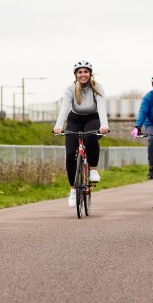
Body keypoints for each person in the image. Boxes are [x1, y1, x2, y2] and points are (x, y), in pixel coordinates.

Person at [53, 61, 110, 207]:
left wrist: (104, 125)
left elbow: (102, 107)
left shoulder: (97, 87)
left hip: (93, 118)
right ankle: (73, 189)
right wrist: (58, 126)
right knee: (71, 152)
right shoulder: (71, 89)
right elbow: (65, 108)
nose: (83, 74)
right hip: (75, 119)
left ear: (90, 74)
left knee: (90, 137)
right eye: (80, 72)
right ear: (76, 75)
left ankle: (93, 170)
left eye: (86, 71)